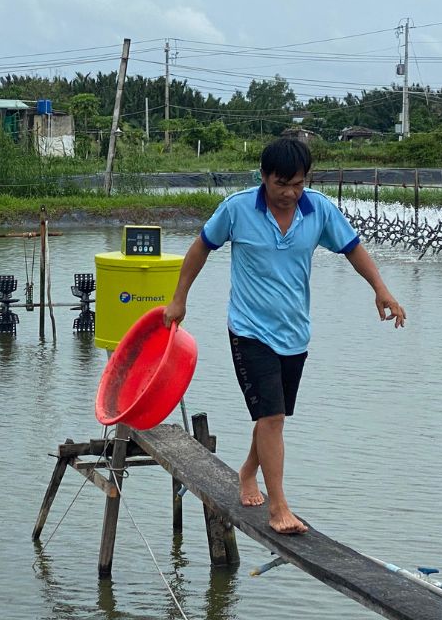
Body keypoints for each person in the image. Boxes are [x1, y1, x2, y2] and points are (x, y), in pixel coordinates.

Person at [163, 137, 405, 535]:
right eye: (281, 184)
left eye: (298, 184)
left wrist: (381, 289)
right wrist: (179, 299)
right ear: (263, 178)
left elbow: (352, 248)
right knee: (271, 416)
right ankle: (279, 508)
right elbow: (200, 248)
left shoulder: (318, 209)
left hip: (294, 333)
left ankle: (246, 473)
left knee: (273, 418)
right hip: (248, 330)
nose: (290, 193)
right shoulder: (237, 208)